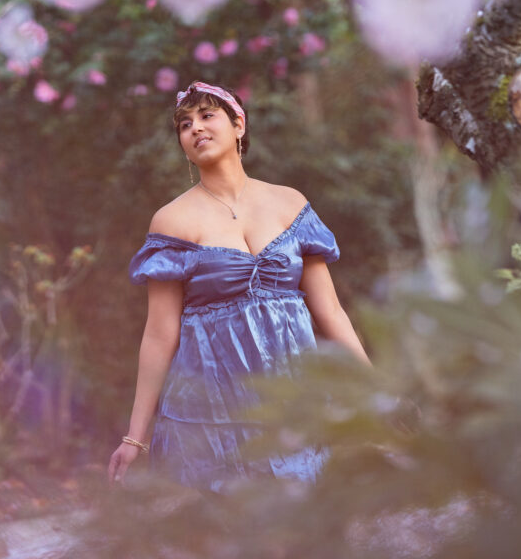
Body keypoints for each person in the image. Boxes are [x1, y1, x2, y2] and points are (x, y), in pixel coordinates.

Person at [108, 81, 370, 491]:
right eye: (184, 124)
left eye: (207, 116)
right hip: (214, 409)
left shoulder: (289, 203)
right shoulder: (172, 221)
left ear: (239, 125)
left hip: (292, 396)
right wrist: (134, 437)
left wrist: (376, 390)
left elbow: (331, 312)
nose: (195, 128)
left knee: (307, 511)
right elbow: (159, 334)